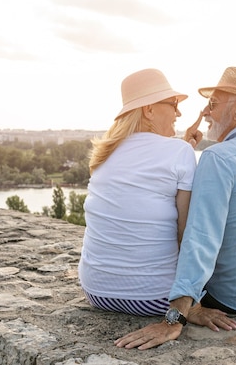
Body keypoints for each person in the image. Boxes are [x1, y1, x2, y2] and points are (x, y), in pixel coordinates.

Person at [115, 66, 236, 350]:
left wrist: (174, 319)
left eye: (212, 104)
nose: (205, 112)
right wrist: (186, 146)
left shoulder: (217, 158)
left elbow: (200, 239)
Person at [78, 68, 202, 317]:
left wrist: (183, 145)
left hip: (97, 292)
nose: (179, 112)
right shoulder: (179, 153)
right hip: (154, 299)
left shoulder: (106, 151)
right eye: (174, 103)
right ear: (149, 109)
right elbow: (185, 233)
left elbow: (144, 176)